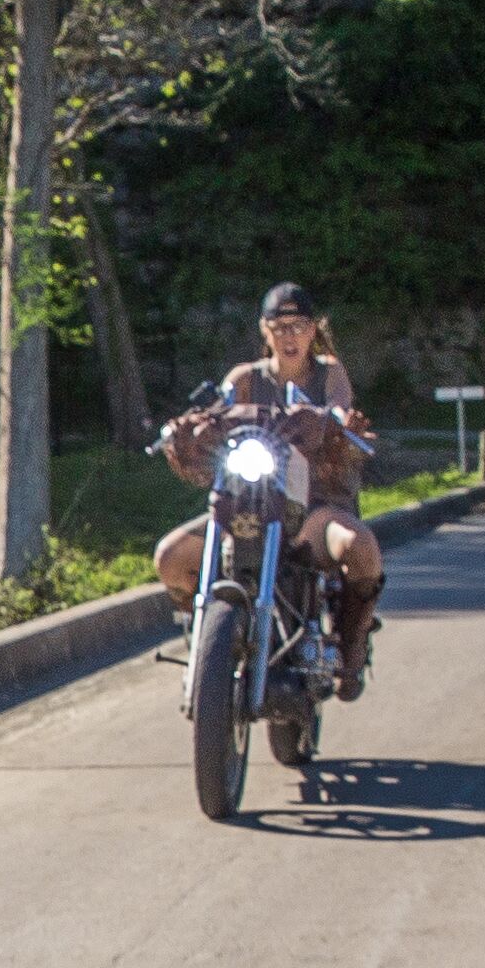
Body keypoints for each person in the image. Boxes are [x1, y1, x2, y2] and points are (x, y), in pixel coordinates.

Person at [152, 283, 384, 700]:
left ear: (314, 330)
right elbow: (214, 411)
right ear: (264, 331)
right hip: (247, 505)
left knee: (361, 547)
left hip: (314, 508)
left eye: (298, 326)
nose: (289, 336)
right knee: (169, 558)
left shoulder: (329, 372)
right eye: (279, 326)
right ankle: (210, 644)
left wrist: (334, 424)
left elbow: (340, 409)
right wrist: (187, 429)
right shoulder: (244, 379)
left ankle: (352, 644)